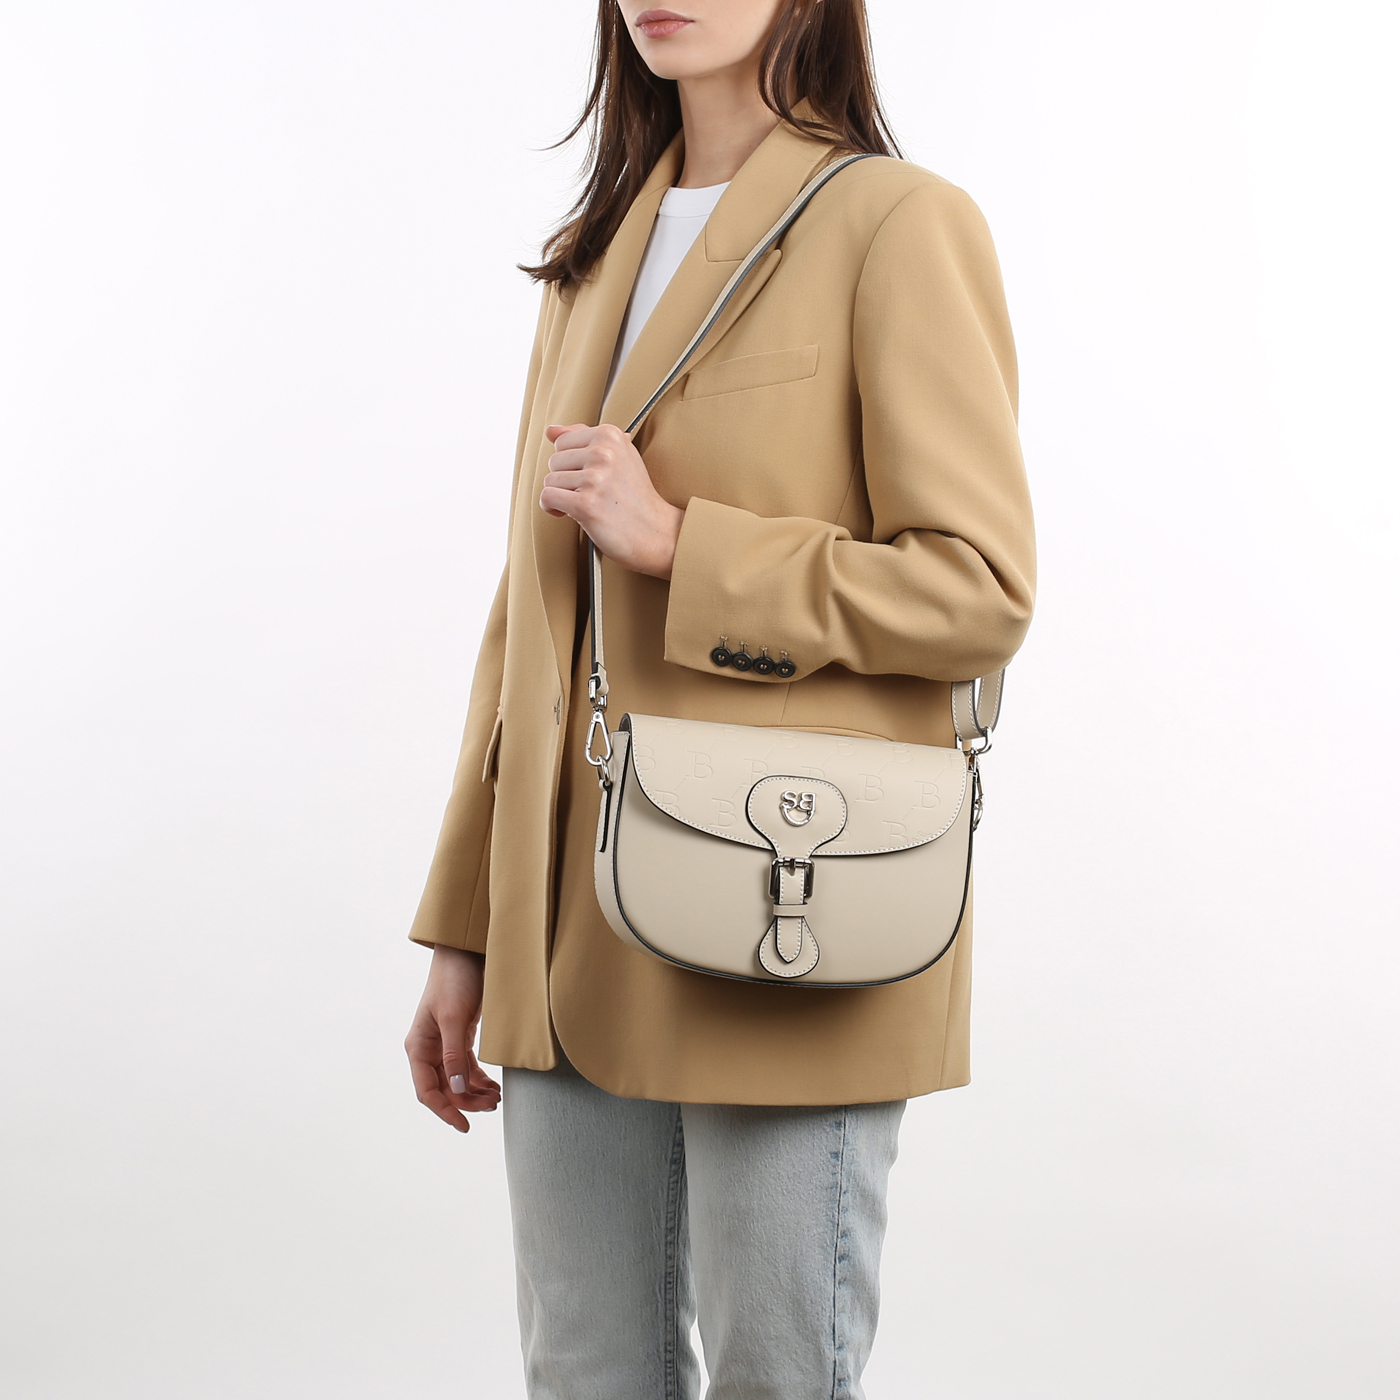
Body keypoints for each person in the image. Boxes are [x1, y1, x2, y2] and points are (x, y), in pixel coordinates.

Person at [403, 2, 1035, 1395]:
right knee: (584, 1373)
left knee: (776, 1372)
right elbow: (528, 622)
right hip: (567, 932)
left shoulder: (897, 223)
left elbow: (978, 590)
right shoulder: (590, 261)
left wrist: (688, 547)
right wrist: (465, 928)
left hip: (784, 903)